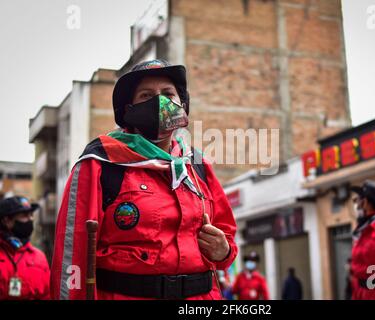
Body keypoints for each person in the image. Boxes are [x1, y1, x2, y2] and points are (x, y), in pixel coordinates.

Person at [50, 59, 238, 300]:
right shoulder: (100, 162)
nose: (159, 102)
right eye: (146, 95)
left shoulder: (197, 165)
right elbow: (72, 253)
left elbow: (227, 234)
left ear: (183, 104)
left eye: (168, 94)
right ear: (129, 110)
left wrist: (224, 252)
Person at [0, 196, 50, 300]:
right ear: (7, 220)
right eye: (25, 215)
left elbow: (47, 295)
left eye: (31, 215)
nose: (30, 219)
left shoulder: (39, 257)